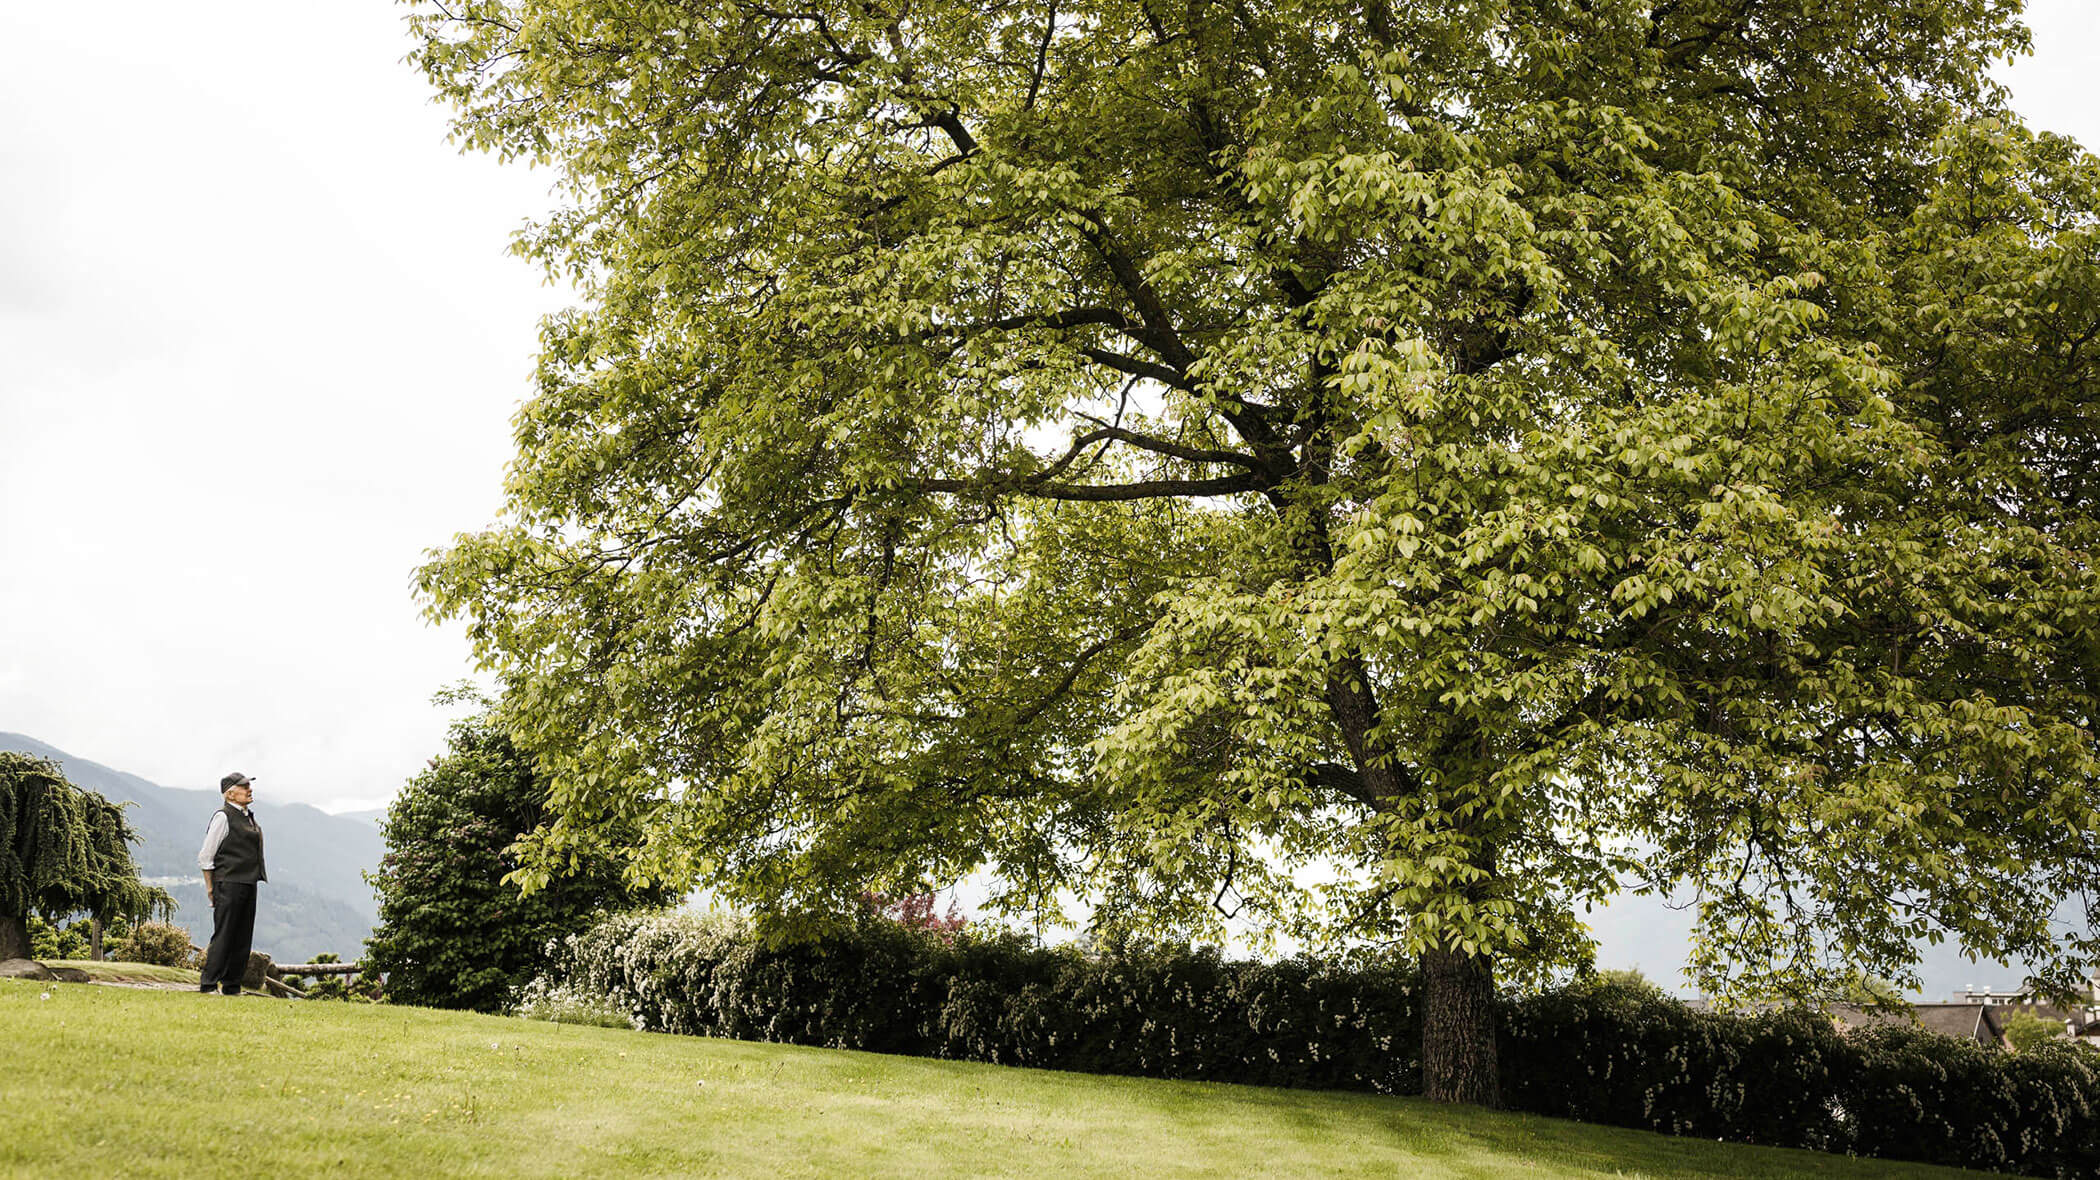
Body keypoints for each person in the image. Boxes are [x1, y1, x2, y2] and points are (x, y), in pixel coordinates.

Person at [196, 772, 267, 995]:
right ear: (230, 794)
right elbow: (206, 856)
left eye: (248, 785)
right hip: (228, 883)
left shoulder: (247, 816)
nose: (249, 789)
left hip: (248, 882)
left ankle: (232, 985)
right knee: (224, 935)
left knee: (243, 937)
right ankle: (208, 984)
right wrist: (210, 887)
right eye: (244, 786)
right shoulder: (223, 817)